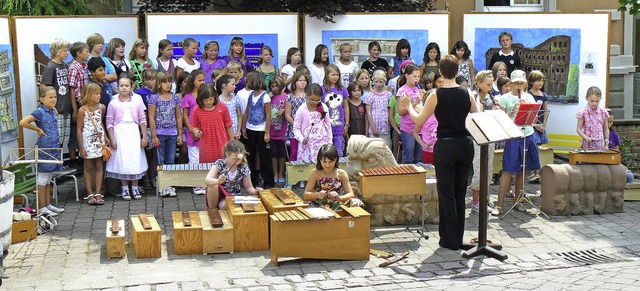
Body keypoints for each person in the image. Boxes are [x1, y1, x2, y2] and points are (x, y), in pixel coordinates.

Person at [400, 54, 478, 251]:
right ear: (457, 71)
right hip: (465, 144)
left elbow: (418, 120)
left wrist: (408, 105)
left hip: (445, 145)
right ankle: (457, 237)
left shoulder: (436, 94)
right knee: (460, 192)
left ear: (441, 72)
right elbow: (477, 117)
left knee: (446, 193)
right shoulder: (467, 93)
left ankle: (449, 240)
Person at [492, 70, 540, 216]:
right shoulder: (505, 98)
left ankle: (518, 201)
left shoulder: (529, 97)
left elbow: (536, 118)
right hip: (513, 136)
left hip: (527, 135)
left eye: (521, 83)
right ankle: (499, 205)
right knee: (507, 171)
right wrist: (512, 111)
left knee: (522, 171)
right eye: (516, 83)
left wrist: (528, 109)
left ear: (525, 84)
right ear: (511, 84)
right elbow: (501, 120)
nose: (519, 86)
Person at [19, 87, 66, 216]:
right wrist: (38, 130)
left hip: (53, 147)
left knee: (48, 177)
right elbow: (23, 122)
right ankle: (41, 207)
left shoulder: (52, 111)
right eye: (50, 97)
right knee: (42, 178)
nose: (53, 99)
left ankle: (48, 204)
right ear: (42, 99)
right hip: (45, 148)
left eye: (55, 97)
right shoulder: (39, 112)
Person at [105, 73, 149, 201]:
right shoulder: (113, 103)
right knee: (122, 160)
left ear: (131, 87)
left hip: (133, 133)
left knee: (134, 159)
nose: (124, 88)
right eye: (121, 85)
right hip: (120, 133)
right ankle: (124, 188)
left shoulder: (137, 101)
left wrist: (144, 137)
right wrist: (112, 138)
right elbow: (109, 122)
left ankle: (135, 187)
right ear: (118, 87)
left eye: (127, 85)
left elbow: (142, 119)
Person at [40, 39, 74, 169]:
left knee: (63, 140)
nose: (67, 53)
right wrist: (50, 105)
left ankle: (59, 164)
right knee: (56, 139)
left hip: (66, 108)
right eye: (64, 50)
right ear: (57, 51)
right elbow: (44, 86)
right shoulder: (50, 66)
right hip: (56, 108)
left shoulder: (65, 65)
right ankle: (54, 165)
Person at [149, 72, 183, 197]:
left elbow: (178, 116)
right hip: (159, 133)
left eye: (169, 81)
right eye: (164, 82)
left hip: (172, 133)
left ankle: (169, 184)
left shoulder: (175, 98)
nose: (168, 84)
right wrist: (154, 136)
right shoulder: (154, 98)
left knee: (170, 160)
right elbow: (151, 118)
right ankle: (161, 184)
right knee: (160, 161)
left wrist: (179, 133)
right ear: (159, 84)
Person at [470, 70, 499, 213]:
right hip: (477, 139)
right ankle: (475, 201)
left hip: (490, 136)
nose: (491, 86)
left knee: (488, 169)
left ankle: (484, 200)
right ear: (479, 84)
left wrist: (498, 111)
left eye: (491, 83)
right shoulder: (473, 97)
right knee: (479, 169)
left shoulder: (491, 98)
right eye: (488, 84)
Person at [204, 140, 262, 210]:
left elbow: (249, 187)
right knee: (213, 185)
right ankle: (212, 212)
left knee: (224, 205)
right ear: (227, 155)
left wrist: (256, 191)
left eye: (239, 159)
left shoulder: (243, 166)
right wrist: (218, 181)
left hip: (233, 197)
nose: (237, 161)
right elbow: (207, 180)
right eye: (234, 158)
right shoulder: (220, 164)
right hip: (218, 195)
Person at [241, 71, 274, 188]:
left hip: (261, 130)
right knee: (251, 155)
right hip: (250, 128)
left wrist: (267, 132)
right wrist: (243, 127)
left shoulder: (265, 96)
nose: (246, 81)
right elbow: (246, 111)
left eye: (248, 80)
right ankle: (252, 180)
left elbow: (268, 115)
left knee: (264, 156)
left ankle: (268, 182)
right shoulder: (251, 95)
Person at [303, 144, 363, 210]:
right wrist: (317, 194)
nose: (327, 165)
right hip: (318, 208)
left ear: (336, 159)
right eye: (324, 161)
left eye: (330, 161)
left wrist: (339, 198)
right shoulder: (315, 173)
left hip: (337, 207)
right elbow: (306, 195)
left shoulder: (342, 174)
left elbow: (350, 194)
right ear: (320, 160)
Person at [77, 83, 107, 205]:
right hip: (87, 141)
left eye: (99, 93)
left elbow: (100, 123)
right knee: (88, 167)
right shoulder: (82, 110)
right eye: (96, 93)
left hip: (99, 141)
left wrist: (105, 137)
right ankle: (90, 193)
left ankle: (98, 192)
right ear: (88, 95)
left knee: (99, 166)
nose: (99, 96)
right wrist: (81, 147)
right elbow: (79, 129)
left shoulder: (102, 108)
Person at [191, 83, 233, 163]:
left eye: (210, 99)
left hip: (222, 144)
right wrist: (196, 132)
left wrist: (231, 142)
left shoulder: (222, 107)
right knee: (207, 170)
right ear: (200, 99)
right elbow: (194, 126)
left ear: (215, 97)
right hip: (206, 146)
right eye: (205, 100)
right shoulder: (197, 110)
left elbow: (229, 125)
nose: (208, 102)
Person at [293, 84, 332, 163]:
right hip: (307, 145)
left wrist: (330, 141)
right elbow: (296, 128)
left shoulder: (324, 107)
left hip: (322, 143)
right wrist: (301, 139)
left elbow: (328, 125)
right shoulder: (301, 109)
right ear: (307, 95)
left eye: (318, 100)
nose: (315, 102)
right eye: (312, 100)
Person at [397, 63, 428, 164]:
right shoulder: (402, 91)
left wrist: (425, 99)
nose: (417, 79)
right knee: (409, 158)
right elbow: (401, 111)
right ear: (406, 75)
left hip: (420, 127)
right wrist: (415, 102)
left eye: (418, 76)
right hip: (408, 129)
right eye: (414, 76)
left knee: (419, 158)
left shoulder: (418, 88)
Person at [182, 69, 206, 195]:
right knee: (194, 158)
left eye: (203, 80)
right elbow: (185, 115)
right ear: (193, 81)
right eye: (199, 80)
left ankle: (205, 182)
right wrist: (190, 129)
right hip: (192, 131)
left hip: (205, 130)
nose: (202, 82)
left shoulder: (206, 95)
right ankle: (196, 184)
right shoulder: (188, 97)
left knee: (205, 158)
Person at [321, 64, 349, 156]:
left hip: (339, 126)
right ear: (327, 75)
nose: (335, 77)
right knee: (326, 153)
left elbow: (346, 107)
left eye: (337, 75)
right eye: (333, 74)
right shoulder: (322, 89)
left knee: (338, 152)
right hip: (325, 127)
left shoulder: (342, 89)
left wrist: (347, 124)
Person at [527, 70, 549, 183]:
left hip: (541, 125)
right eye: (537, 80)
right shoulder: (529, 95)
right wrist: (536, 125)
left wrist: (544, 124)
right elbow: (531, 112)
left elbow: (545, 111)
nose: (540, 83)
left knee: (538, 148)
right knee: (532, 147)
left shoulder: (544, 95)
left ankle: (538, 172)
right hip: (532, 125)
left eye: (542, 81)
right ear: (531, 81)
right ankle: (531, 173)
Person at [363, 70, 393, 148]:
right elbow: (368, 112)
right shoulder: (370, 95)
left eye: (381, 82)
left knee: (386, 150)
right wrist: (373, 128)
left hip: (385, 129)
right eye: (376, 82)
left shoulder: (388, 95)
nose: (378, 84)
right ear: (372, 81)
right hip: (373, 129)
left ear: (385, 81)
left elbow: (391, 112)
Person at [285, 71, 310, 161]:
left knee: (306, 153)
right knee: (294, 153)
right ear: (295, 82)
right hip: (294, 129)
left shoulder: (309, 96)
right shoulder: (290, 96)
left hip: (307, 128)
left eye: (304, 80)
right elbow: (288, 115)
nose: (302, 82)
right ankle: (293, 174)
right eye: (300, 80)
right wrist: (297, 126)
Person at [269, 77, 288, 184]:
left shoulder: (286, 97)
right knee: (273, 153)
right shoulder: (269, 97)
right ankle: (275, 174)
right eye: (272, 86)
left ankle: (281, 174)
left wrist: (284, 110)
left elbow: (290, 109)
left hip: (282, 130)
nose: (275, 88)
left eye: (277, 86)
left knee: (282, 154)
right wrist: (267, 97)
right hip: (271, 130)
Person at [217, 74, 242, 140]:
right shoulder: (218, 101)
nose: (235, 86)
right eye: (232, 84)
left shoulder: (235, 97)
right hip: (224, 133)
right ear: (225, 86)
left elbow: (239, 115)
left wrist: (238, 131)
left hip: (235, 132)